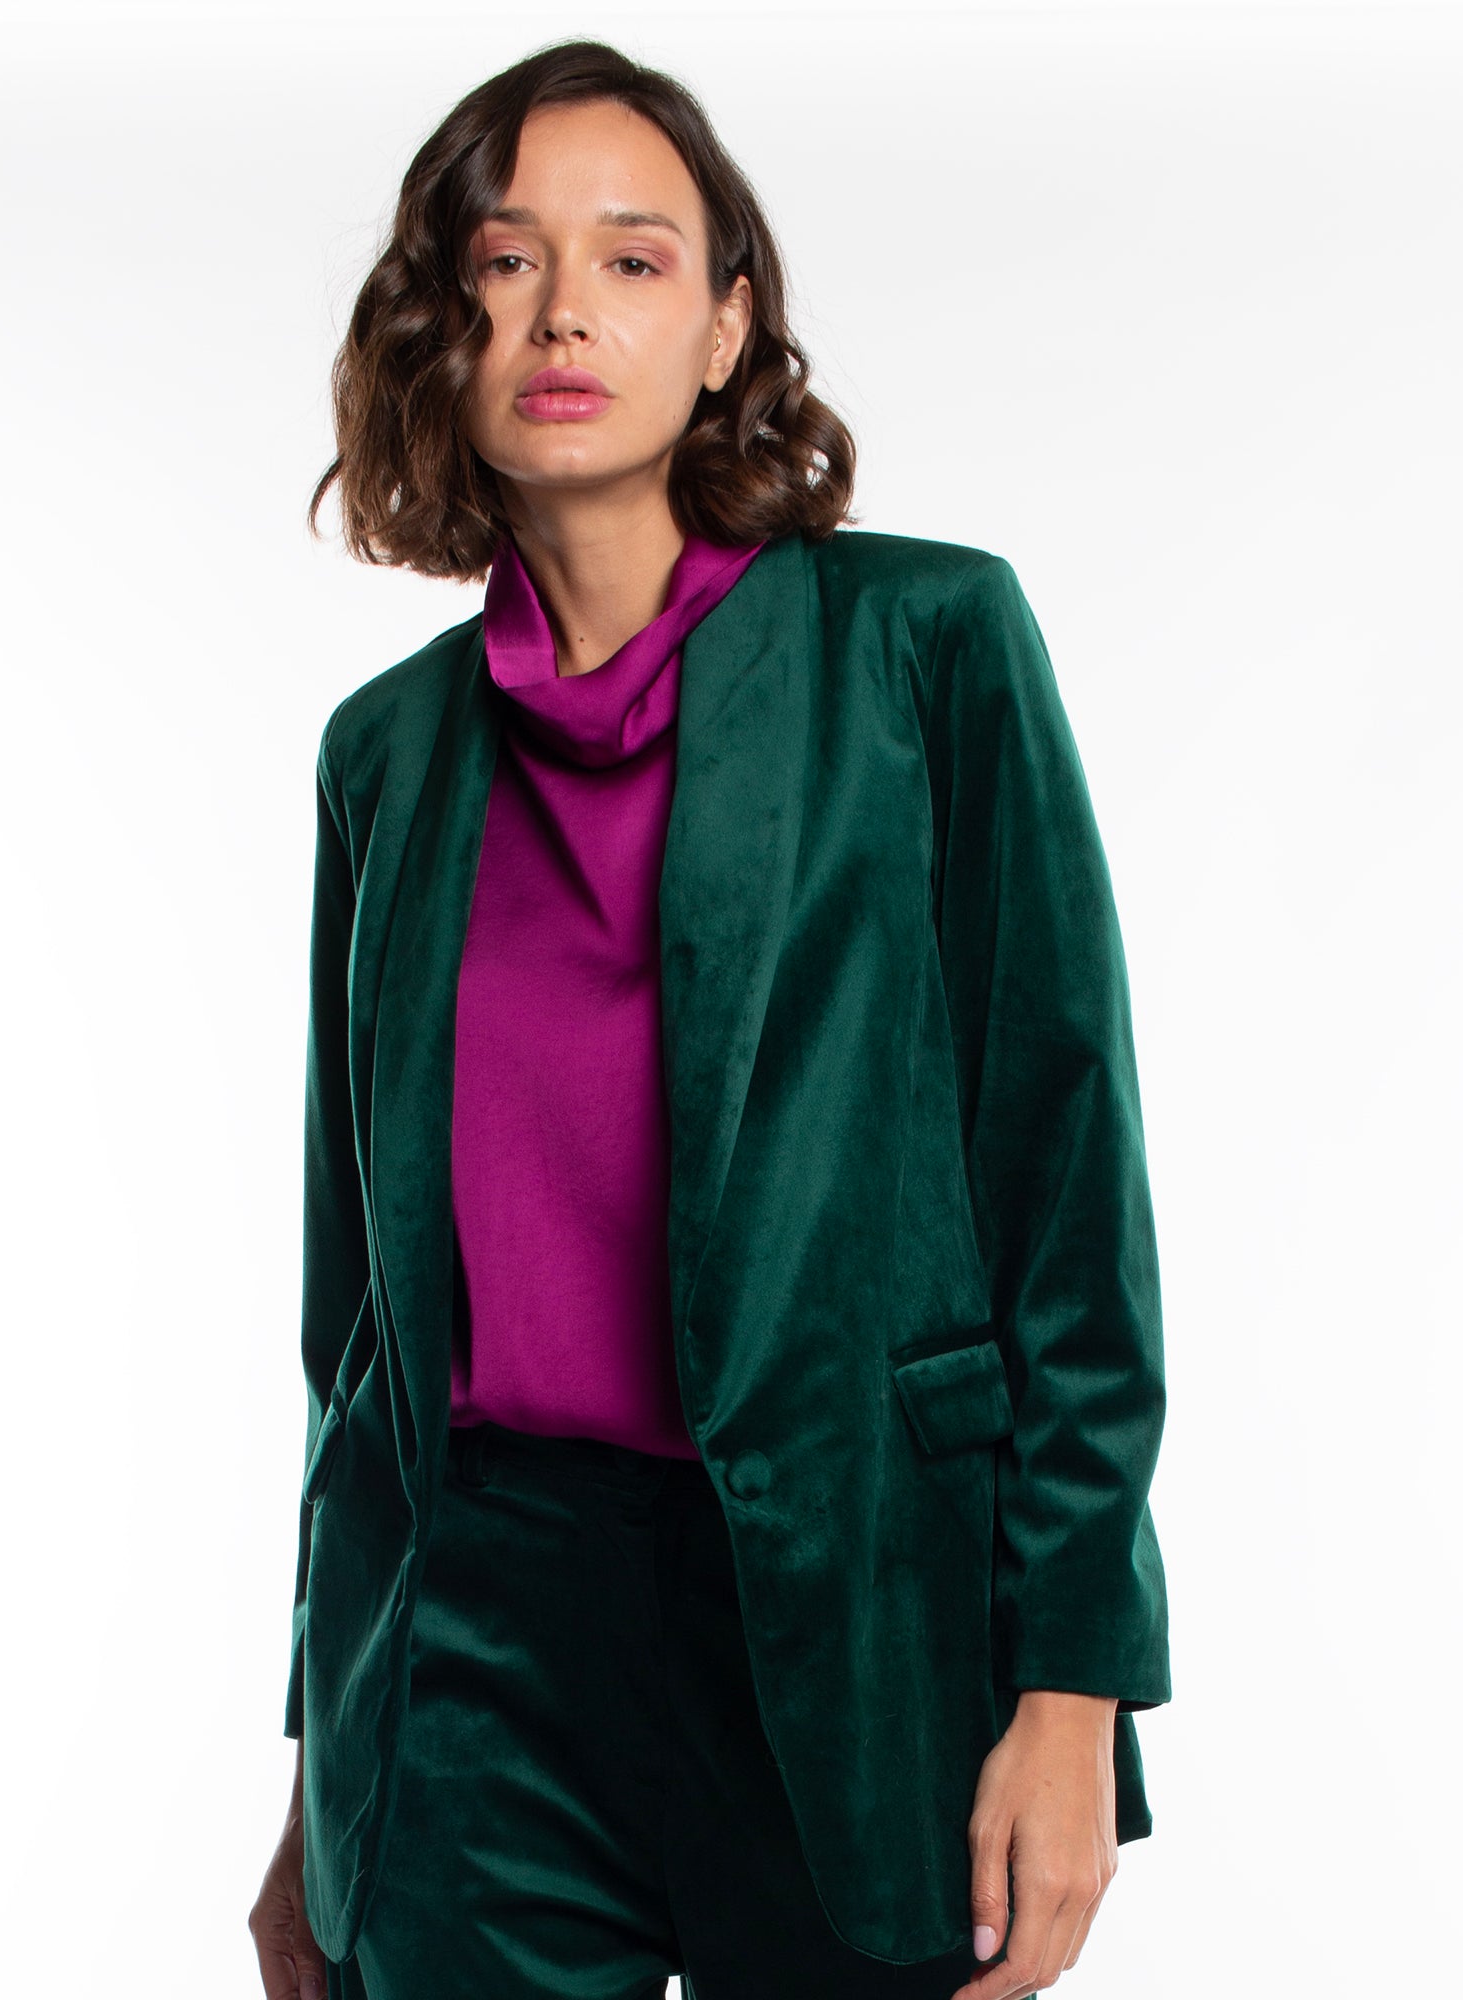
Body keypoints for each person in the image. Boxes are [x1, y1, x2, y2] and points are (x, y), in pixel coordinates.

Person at [248, 36, 1171, 2000]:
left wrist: (1075, 1683)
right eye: (505, 262)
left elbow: (1063, 1189)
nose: (563, 311)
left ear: (728, 326)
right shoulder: (386, 758)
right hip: (471, 1659)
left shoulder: (925, 651)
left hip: (849, 1610)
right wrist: (328, 1764)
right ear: (440, 330)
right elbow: (358, 1332)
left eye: (634, 258)